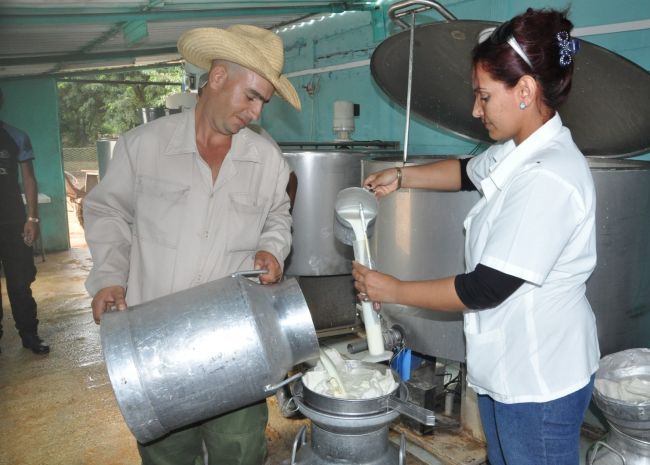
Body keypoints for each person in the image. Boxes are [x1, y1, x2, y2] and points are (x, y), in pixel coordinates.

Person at [353, 8, 598, 465]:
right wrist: (402, 177)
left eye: (484, 97)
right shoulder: (519, 150)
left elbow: (485, 286)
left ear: (525, 90)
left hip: (538, 381)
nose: (474, 109)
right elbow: (467, 172)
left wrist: (395, 289)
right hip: (506, 368)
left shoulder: (550, 177)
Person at [83, 24, 300, 465]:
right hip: (155, 343)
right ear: (218, 77)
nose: (256, 113)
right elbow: (108, 212)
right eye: (251, 96)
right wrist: (108, 277)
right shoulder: (143, 147)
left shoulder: (267, 160)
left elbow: (279, 215)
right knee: (167, 454)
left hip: (236, 342)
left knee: (239, 450)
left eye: (263, 101)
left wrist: (273, 248)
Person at [0, 88, 50, 355]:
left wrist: (32, 218)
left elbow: (29, 178)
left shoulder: (15, 136)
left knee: (20, 284)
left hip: (13, 223)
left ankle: (29, 335)